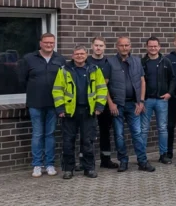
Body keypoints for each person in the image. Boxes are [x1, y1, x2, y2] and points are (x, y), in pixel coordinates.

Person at [52, 45, 108, 179]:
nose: (79, 56)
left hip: (89, 111)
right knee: (68, 141)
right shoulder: (64, 70)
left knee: (88, 141)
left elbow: (102, 89)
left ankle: (89, 168)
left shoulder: (94, 69)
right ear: (72, 56)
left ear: (86, 55)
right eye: (77, 54)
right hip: (69, 111)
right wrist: (60, 108)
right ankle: (68, 169)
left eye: (82, 54)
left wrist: (99, 106)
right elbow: (57, 90)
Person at [17, 33, 66, 178]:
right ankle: (37, 165)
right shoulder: (29, 59)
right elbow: (22, 80)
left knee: (50, 134)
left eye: (51, 43)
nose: (49, 45)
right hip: (35, 103)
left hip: (53, 103)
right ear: (40, 43)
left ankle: (50, 164)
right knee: (38, 134)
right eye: (46, 42)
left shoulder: (60, 59)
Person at [110, 35, 148, 172]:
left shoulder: (137, 61)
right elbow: (104, 85)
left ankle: (142, 162)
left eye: (126, 45)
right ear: (117, 46)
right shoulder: (111, 62)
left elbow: (142, 81)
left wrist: (141, 101)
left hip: (134, 104)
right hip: (118, 105)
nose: (124, 48)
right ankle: (123, 162)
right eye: (121, 45)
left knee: (137, 133)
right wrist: (111, 104)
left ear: (130, 46)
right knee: (119, 135)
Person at [142, 37, 176, 164]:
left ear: (159, 47)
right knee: (144, 129)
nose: (153, 48)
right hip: (146, 100)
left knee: (163, 128)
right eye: (150, 46)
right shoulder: (142, 62)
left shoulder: (165, 61)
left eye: (155, 46)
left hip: (162, 100)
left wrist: (169, 93)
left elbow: (173, 79)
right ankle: (142, 156)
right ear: (147, 47)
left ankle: (163, 154)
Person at [87, 37, 117, 170]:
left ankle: (106, 160)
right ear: (92, 46)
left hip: (104, 102)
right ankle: (86, 161)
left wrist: (110, 102)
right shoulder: (86, 61)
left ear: (105, 47)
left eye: (101, 45)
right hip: (88, 102)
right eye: (96, 45)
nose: (98, 48)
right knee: (87, 132)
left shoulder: (109, 62)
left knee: (105, 131)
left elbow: (107, 83)